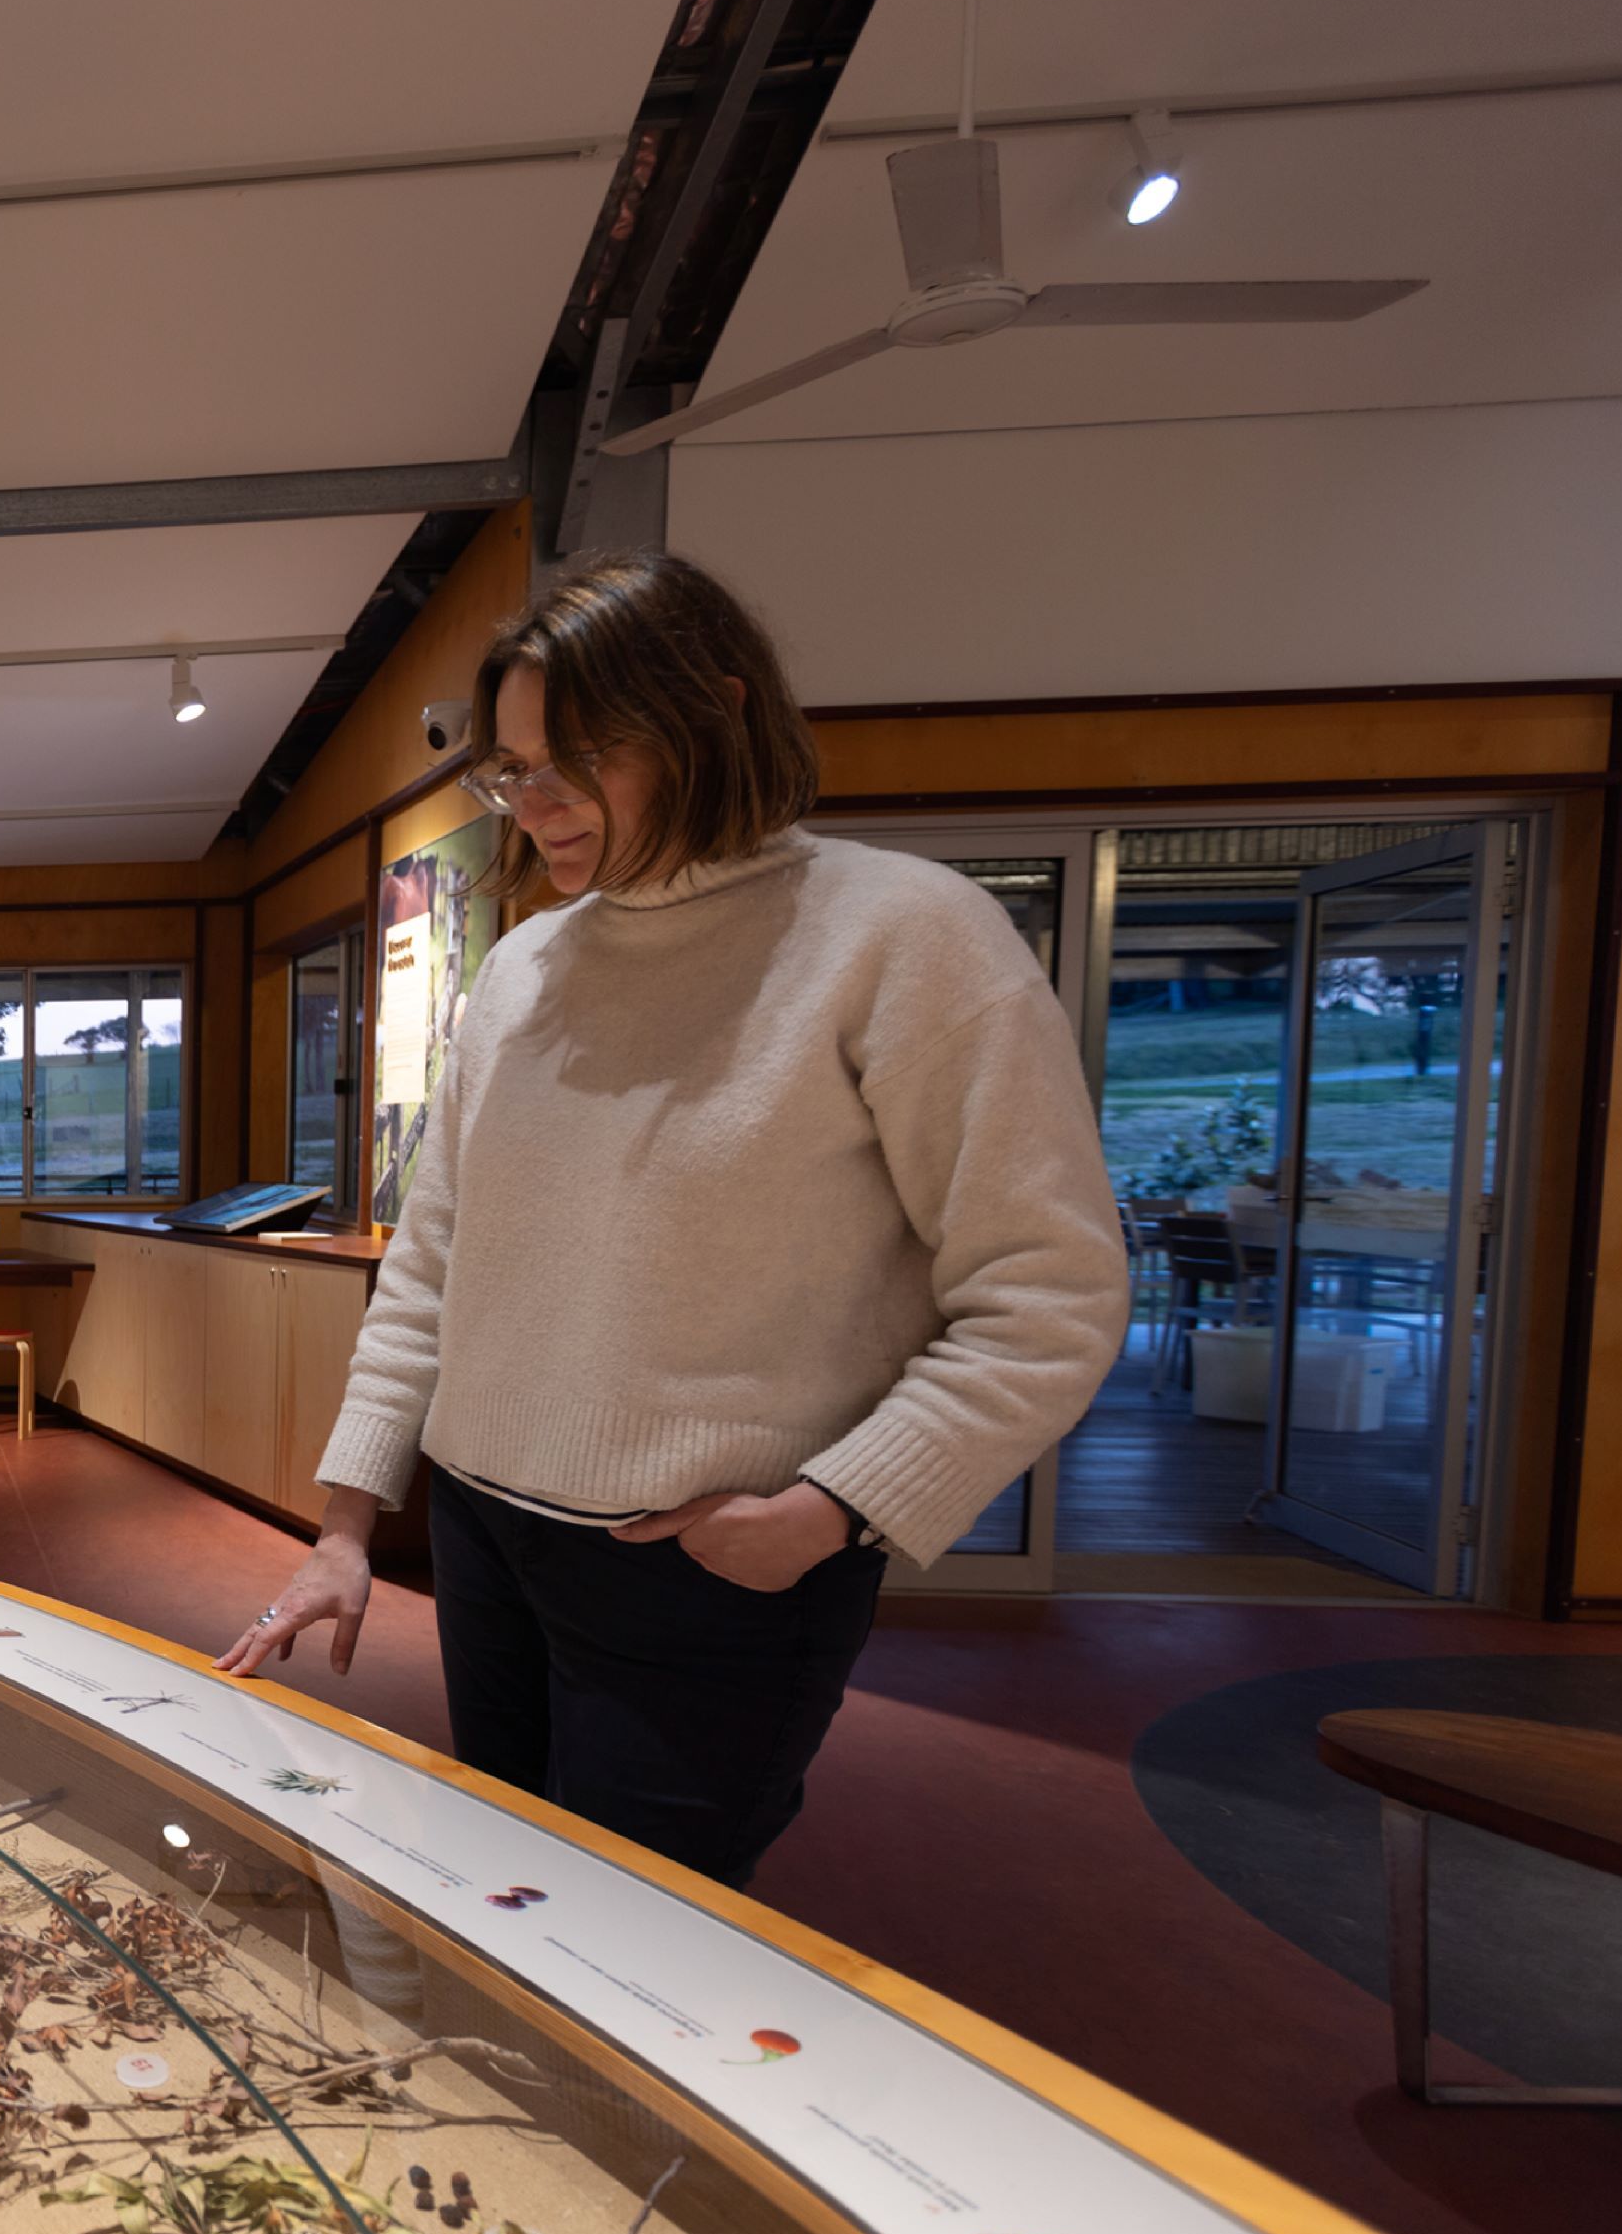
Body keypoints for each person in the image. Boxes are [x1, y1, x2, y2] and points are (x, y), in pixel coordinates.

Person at [218, 551, 1122, 1887]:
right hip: (484, 1540)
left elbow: (1051, 1296)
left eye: (576, 761)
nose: (535, 807)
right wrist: (348, 1528)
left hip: (716, 1572)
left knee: (644, 1951)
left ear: (714, 715)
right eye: (512, 769)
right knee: (509, 1903)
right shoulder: (524, 965)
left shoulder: (906, 937)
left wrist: (836, 1509)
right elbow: (434, 1266)